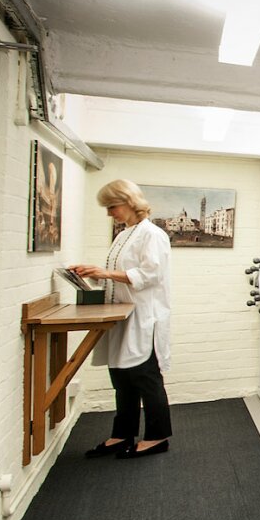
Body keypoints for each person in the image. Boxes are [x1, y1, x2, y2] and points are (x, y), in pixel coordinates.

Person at [70, 179, 173, 460]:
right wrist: (94, 274)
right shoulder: (123, 234)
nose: (109, 213)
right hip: (124, 316)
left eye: (112, 206)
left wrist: (105, 273)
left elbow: (151, 274)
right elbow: (121, 276)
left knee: (146, 378)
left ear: (129, 201)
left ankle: (156, 436)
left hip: (144, 317)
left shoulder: (152, 234)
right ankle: (122, 433)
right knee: (122, 378)